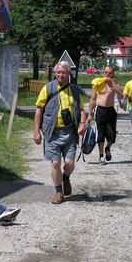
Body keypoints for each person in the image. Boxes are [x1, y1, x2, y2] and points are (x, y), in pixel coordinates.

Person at [34, 61, 87, 204]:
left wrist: (82, 124)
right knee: (55, 163)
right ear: (55, 73)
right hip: (52, 132)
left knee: (69, 163)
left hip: (70, 132)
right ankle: (58, 192)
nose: (60, 75)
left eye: (63, 72)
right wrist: (36, 131)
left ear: (69, 74)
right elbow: (39, 110)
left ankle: (66, 177)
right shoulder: (48, 88)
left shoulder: (75, 90)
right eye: (58, 72)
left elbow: (82, 110)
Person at [87, 66, 123, 165]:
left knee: (112, 135)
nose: (107, 75)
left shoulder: (114, 84)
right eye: (106, 73)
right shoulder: (98, 84)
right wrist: (89, 114)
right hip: (100, 110)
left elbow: (120, 92)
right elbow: (93, 99)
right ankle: (101, 155)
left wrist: (111, 82)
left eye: (110, 73)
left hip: (110, 110)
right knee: (100, 134)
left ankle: (108, 148)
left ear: (113, 74)